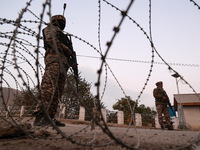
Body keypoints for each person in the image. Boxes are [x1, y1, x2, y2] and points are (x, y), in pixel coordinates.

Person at [33, 15, 73, 127]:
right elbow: (51, 41)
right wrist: (67, 50)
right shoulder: (51, 29)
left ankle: (50, 117)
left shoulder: (64, 36)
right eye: (60, 21)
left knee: (58, 93)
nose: (61, 24)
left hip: (64, 64)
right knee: (48, 87)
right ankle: (40, 116)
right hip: (54, 60)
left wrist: (72, 61)